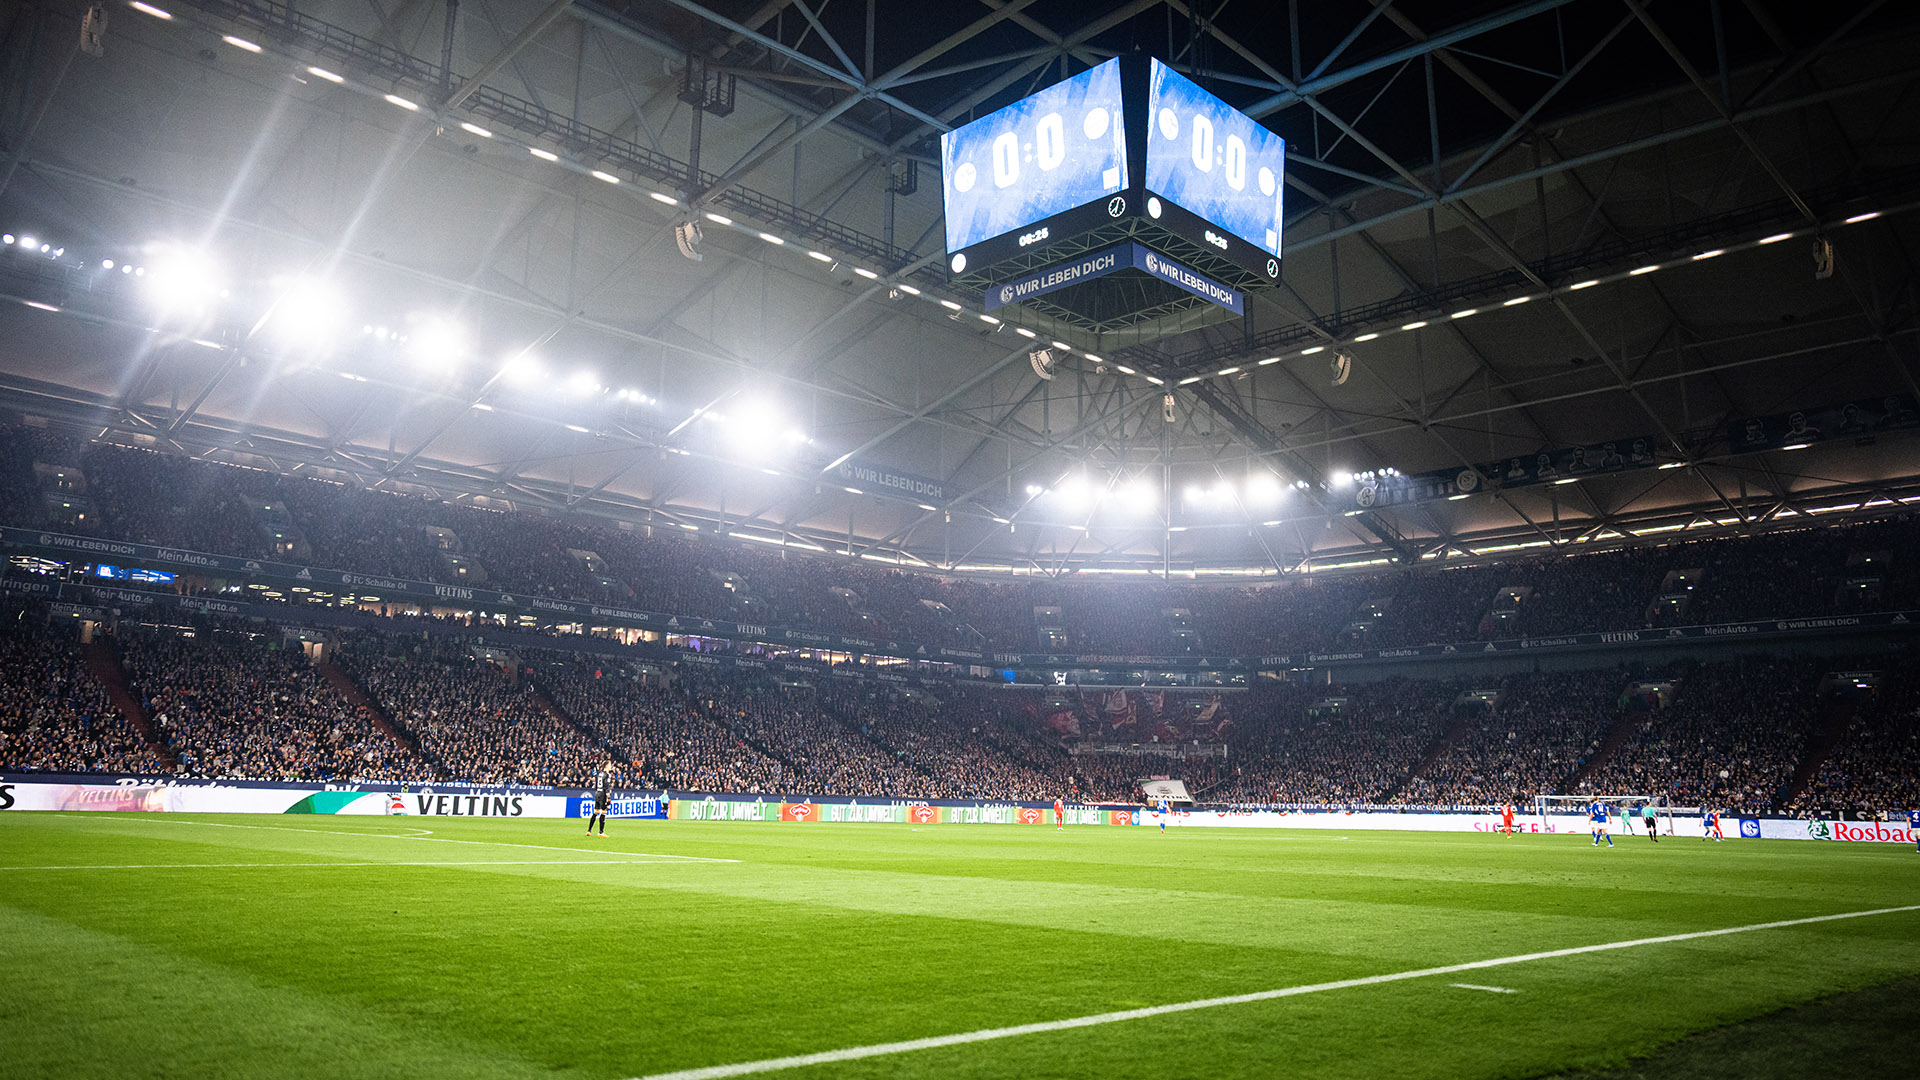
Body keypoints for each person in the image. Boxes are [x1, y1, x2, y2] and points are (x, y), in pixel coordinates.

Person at [586, 765, 612, 836]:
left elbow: (596, 784)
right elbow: (606, 785)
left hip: (597, 793)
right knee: (604, 812)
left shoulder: (599, 773)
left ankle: (589, 831)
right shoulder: (607, 775)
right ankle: (601, 832)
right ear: (606, 766)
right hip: (603, 794)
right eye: (609, 765)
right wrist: (608, 795)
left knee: (596, 811)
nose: (610, 766)